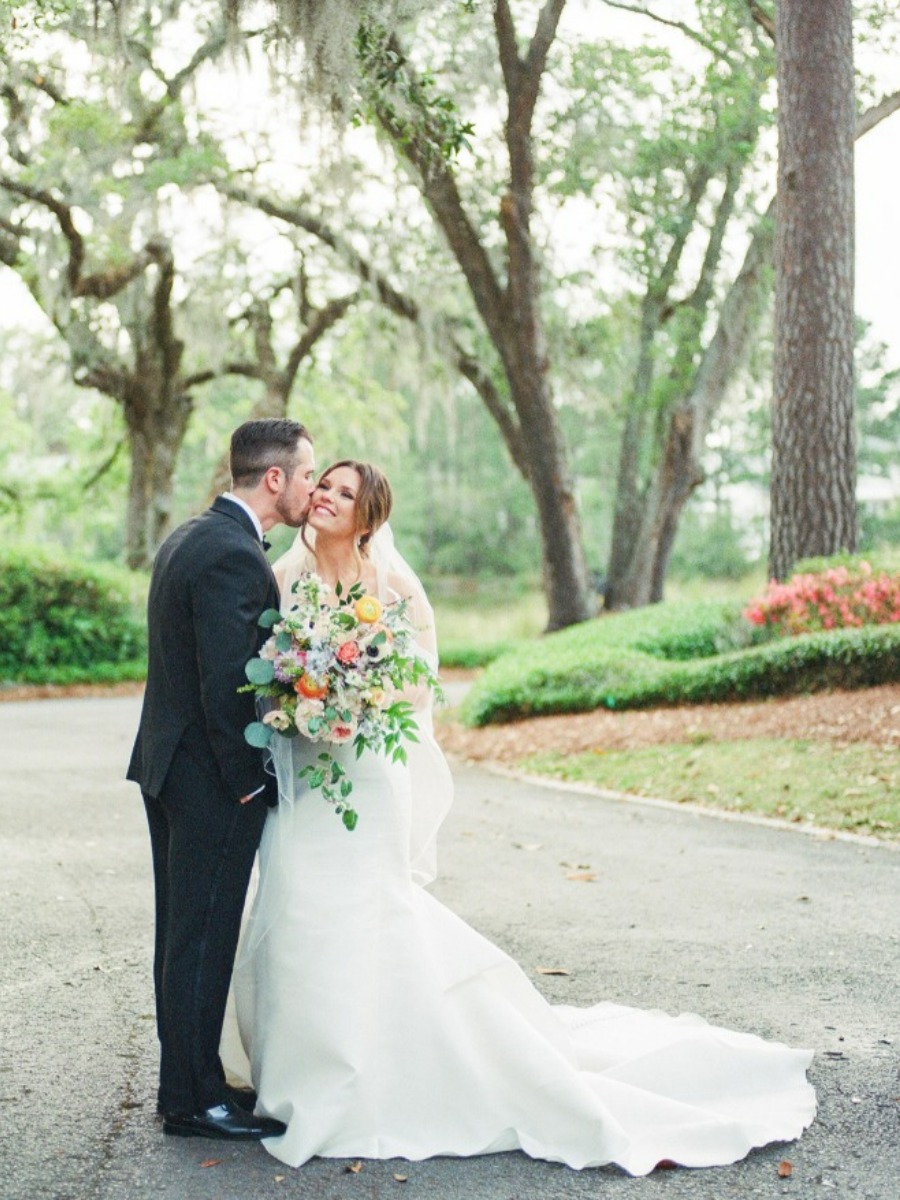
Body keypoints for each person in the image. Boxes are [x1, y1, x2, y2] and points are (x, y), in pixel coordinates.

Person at [224, 459, 816, 1174]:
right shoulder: (281, 579)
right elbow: (260, 672)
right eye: (323, 486)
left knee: (364, 911)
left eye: (343, 493)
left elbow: (418, 685)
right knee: (296, 907)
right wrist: (299, 703)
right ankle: (300, 1076)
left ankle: (375, 1074)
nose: (325, 497)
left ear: (369, 516)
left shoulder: (394, 586)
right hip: (307, 776)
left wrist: (355, 703)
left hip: (367, 773)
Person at [127, 418, 316, 1141]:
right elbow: (227, 685)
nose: (308, 488)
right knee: (200, 937)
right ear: (275, 479)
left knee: (183, 935)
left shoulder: (191, 537)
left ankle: (195, 1080)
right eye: (306, 474)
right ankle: (190, 1100)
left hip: (168, 768)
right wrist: (246, 781)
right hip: (209, 779)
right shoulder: (234, 555)